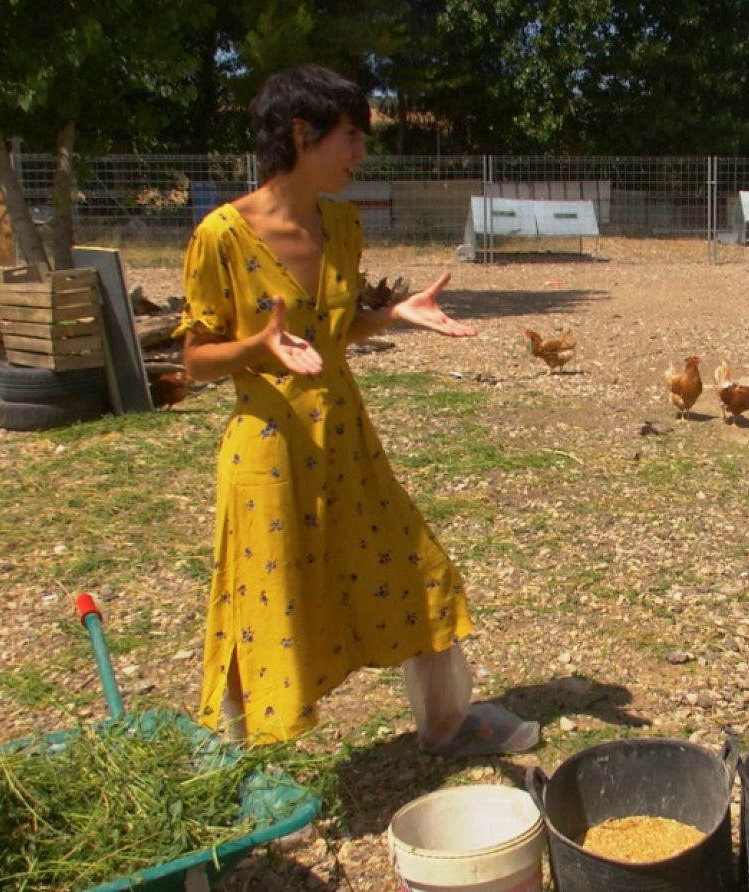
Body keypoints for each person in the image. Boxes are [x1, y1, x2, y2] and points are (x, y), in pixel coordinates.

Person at [176, 63, 538, 754]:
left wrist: (394, 315)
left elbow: (331, 331)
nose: (361, 153)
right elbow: (195, 360)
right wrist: (257, 346)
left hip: (345, 437)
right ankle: (248, 763)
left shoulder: (342, 225)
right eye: (351, 136)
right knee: (266, 601)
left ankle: (444, 724)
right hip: (270, 449)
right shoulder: (221, 234)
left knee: (416, 569)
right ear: (301, 133)